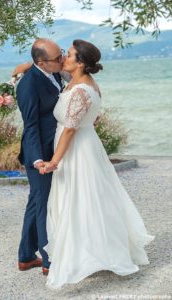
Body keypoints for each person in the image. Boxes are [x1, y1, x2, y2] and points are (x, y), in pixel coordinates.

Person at [39, 39, 154, 288]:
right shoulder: (78, 83)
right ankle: (90, 250)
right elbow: (89, 118)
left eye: (68, 55)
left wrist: (54, 161)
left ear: (80, 63)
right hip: (83, 144)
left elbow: (70, 129)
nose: (63, 58)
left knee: (79, 200)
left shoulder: (81, 89)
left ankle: (82, 258)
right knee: (88, 199)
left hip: (76, 150)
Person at [16, 38, 65, 275]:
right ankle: (48, 261)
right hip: (39, 155)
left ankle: (26, 256)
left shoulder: (54, 72)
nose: (62, 60)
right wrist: (37, 161)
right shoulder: (28, 85)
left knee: (36, 201)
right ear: (41, 62)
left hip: (55, 147)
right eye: (57, 58)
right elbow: (31, 125)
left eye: (61, 54)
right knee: (43, 203)